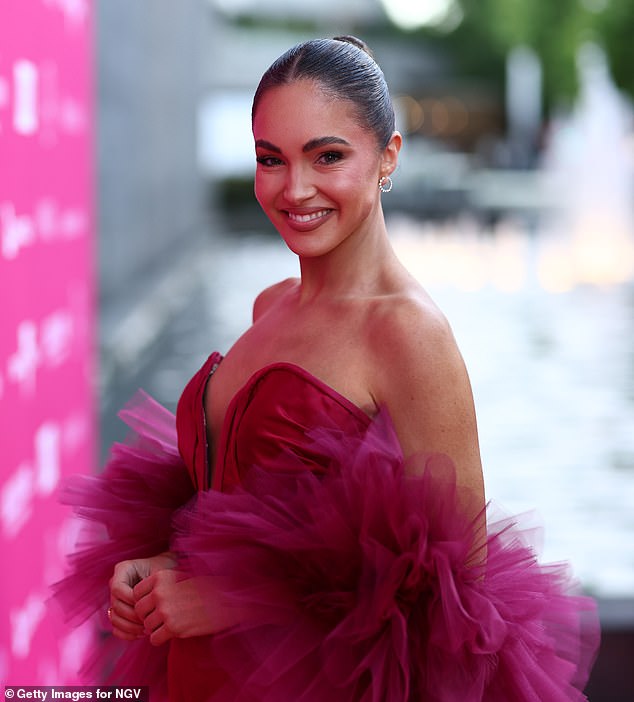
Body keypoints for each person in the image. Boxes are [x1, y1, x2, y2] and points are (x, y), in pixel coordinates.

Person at [55, 36, 599, 702]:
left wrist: (231, 600)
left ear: (388, 157)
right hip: (198, 676)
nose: (295, 188)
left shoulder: (408, 334)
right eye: (269, 159)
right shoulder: (270, 305)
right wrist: (167, 565)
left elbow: (459, 604)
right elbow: (244, 516)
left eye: (328, 156)